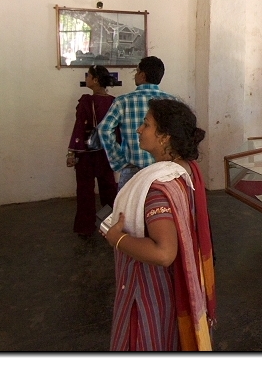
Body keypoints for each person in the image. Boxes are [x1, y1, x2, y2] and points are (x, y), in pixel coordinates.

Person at [101, 98, 216, 351]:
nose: (139, 129)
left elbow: (164, 253)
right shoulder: (186, 168)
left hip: (150, 291)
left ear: (164, 137)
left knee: (146, 339)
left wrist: (117, 238)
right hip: (174, 283)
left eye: (146, 124)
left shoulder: (158, 189)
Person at [97, 56, 175, 190]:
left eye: (136, 71)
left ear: (142, 75)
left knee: (128, 209)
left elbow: (104, 130)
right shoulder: (172, 102)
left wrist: (119, 162)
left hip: (133, 171)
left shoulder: (123, 101)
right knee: (161, 207)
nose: (135, 75)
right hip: (164, 170)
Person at [66, 65, 118, 237]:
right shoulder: (114, 101)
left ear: (95, 80)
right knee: (109, 189)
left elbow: (79, 127)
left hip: (87, 153)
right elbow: (117, 130)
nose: (86, 78)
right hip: (107, 152)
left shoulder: (86, 101)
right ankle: (111, 226)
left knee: (85, 191)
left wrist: (72, 152)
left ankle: (85, 227)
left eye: (88, 75)